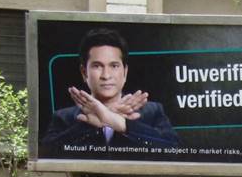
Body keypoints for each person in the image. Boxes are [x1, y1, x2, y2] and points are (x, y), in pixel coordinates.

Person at [42, 28, 180, 153]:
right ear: (84, 73)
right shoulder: (63, 118)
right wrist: (90, 125)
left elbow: (176, 149)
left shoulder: (153, 111)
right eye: (97, 66)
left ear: (125, 72)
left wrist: (124, 125)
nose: (106, 75)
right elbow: (46, 152)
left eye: (114, 66)